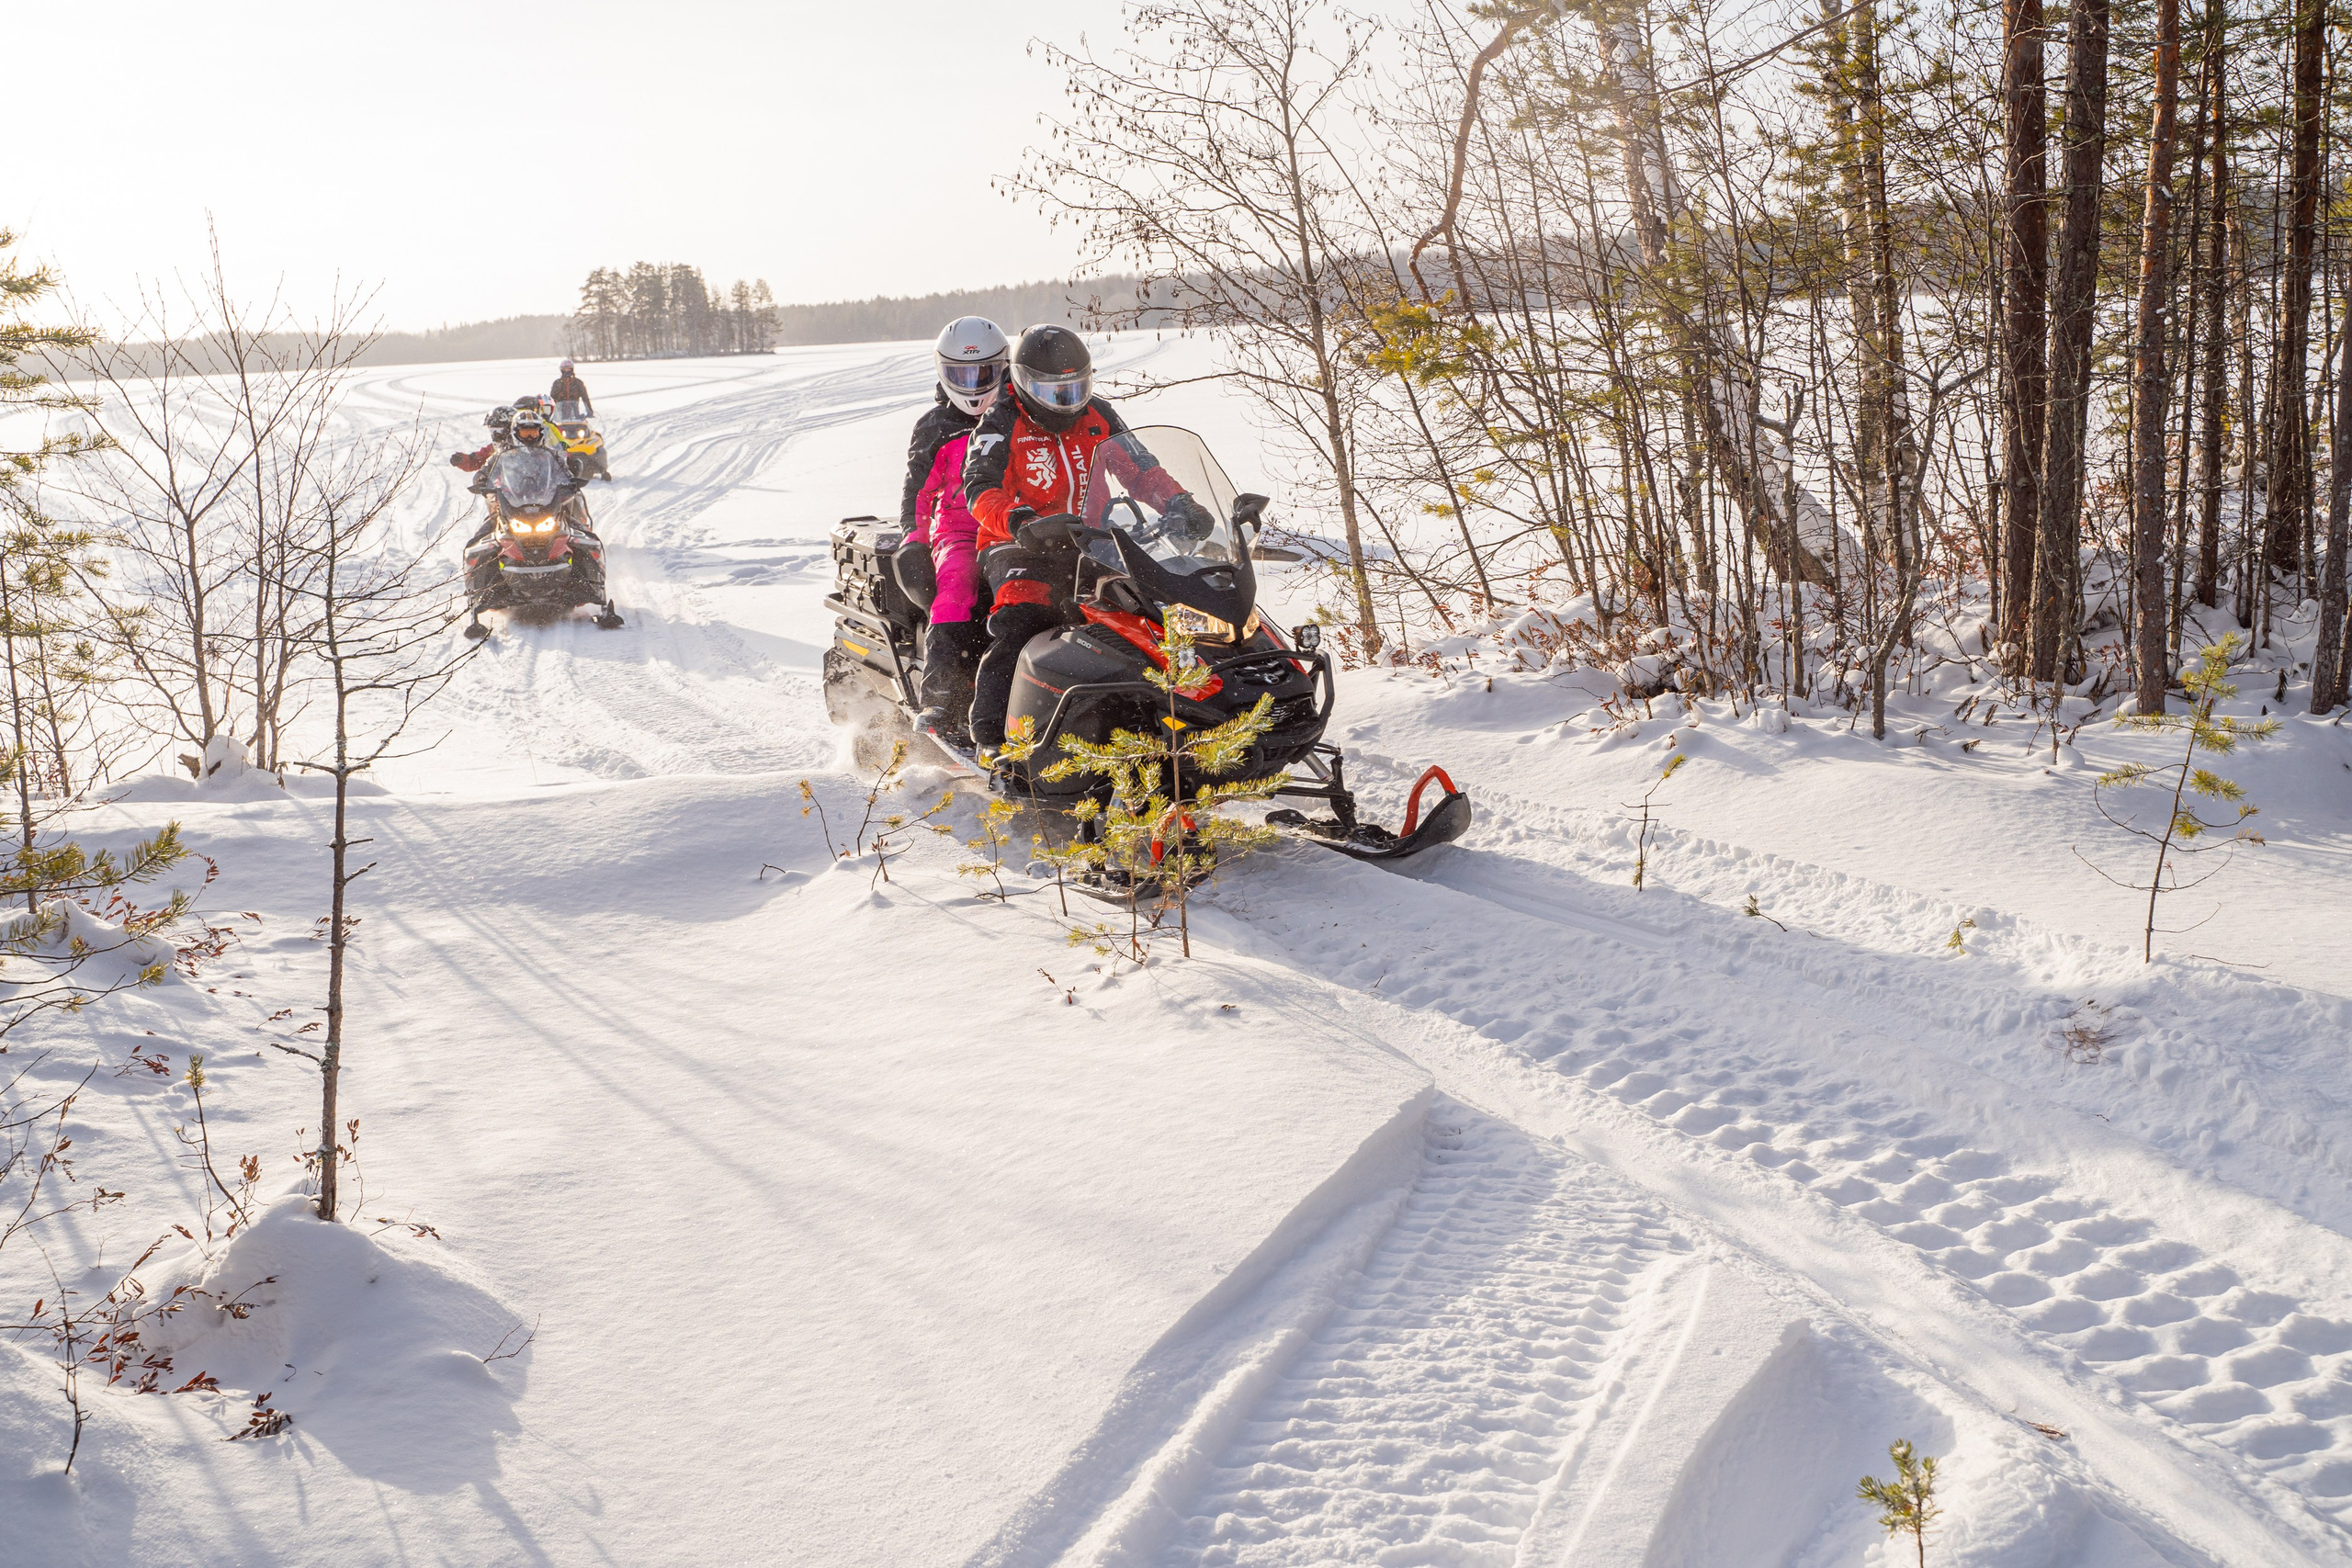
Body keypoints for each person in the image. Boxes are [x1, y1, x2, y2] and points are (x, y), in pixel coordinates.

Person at [961, 324, 1178, 753]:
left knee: (1149, 611)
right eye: (1054, 391)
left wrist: (1179, 503)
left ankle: (1163, 710)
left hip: (1093, 540)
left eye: (1076, 388)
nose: (1068, 402)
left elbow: (1140, 468)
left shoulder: (1100, 415)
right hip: (1017, 543)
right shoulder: (1001, 421)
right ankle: (991, 731)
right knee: (1025, 616)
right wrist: (1018, 520)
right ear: (1022, 383)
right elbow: (980, 487)